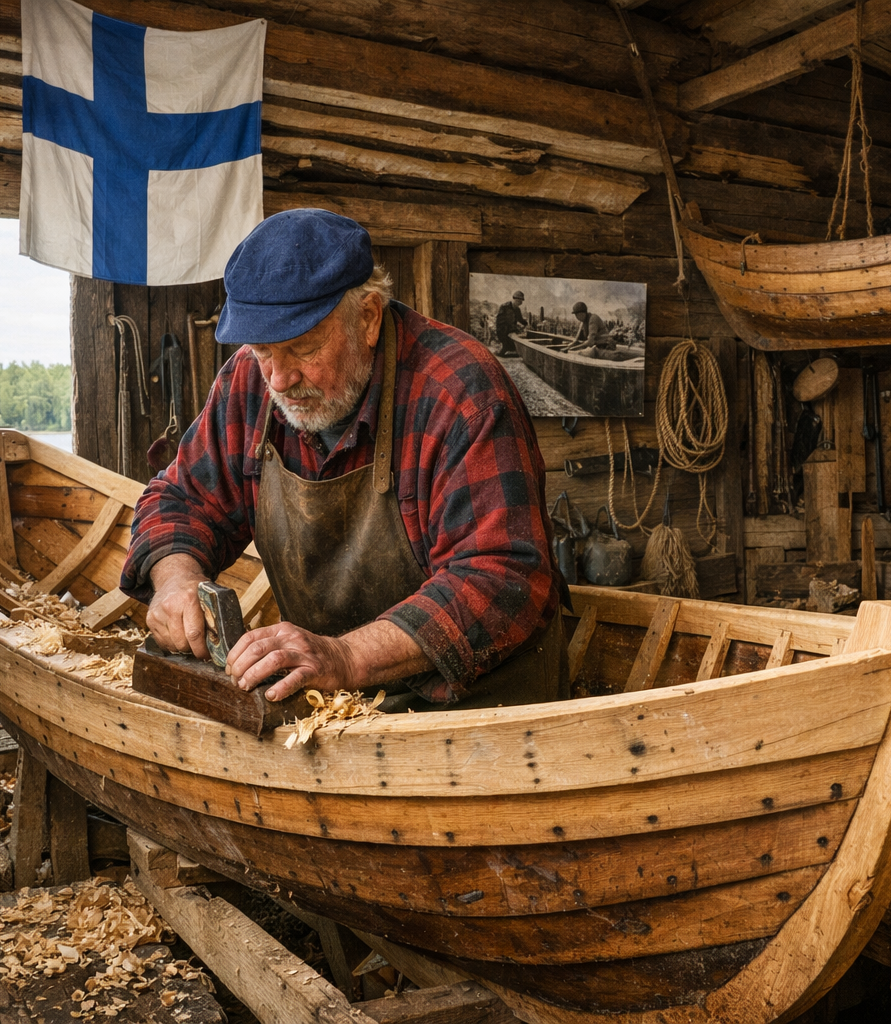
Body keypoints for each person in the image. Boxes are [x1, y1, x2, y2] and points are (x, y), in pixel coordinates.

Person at [120, 209, 565, 711]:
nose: (280, 379)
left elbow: (502, 576)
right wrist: (176, 577)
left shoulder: (461, 393)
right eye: (264, 351)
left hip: (479, 711)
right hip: (333, 703)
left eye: (303, 348)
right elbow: (181, 499)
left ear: (368, 317)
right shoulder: (249, 380)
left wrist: (345, 657)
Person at [493, 289, 526, 356]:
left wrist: (526, 324)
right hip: (503, 331)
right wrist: (508, 331)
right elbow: (499, 322)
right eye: (518, 301)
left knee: (515, 347)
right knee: (506, 348)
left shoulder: (517, 309)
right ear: (514, 299)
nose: (520, 303)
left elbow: (521, 320)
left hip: (512, 331)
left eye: (521, 302)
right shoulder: (504, 307)